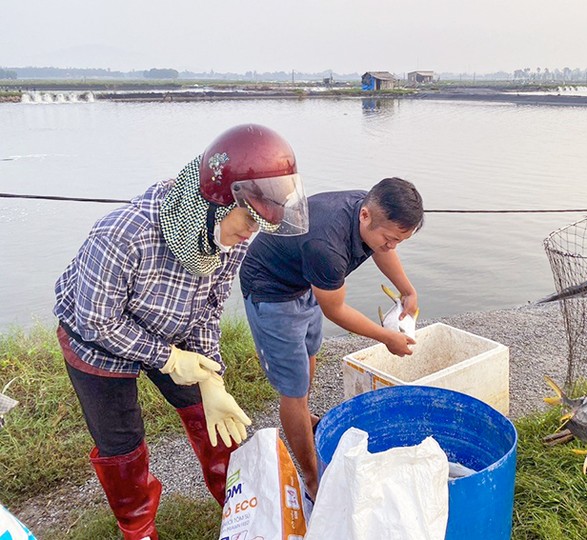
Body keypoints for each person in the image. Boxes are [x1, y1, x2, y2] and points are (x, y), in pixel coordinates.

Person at [53, 123, 308, 540]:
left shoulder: (231, 234)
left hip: (173, 330)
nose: (250, 233)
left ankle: (239, 512)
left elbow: (208, 310)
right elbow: (95, 321)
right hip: (95, 341)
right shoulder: (123, 233)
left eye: (260, 223)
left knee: (215, 420)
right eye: (248, 219)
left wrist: (212, 379)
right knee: (122, 444)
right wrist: (170, 359)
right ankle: (138, 529)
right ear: (216, 201)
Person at [239, 177, 424, 498]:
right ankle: (311, 478)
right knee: (293, 389)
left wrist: (408, 290)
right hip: (270, 290)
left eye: (399, 241)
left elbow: (380, 248)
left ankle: (304, 418)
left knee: (309, 354)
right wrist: (387, 338)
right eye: (389, 238)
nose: (391, 246)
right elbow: (336, 311)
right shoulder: (326, 245)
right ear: (365, 215)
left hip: (305, 280)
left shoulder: (367, 210)